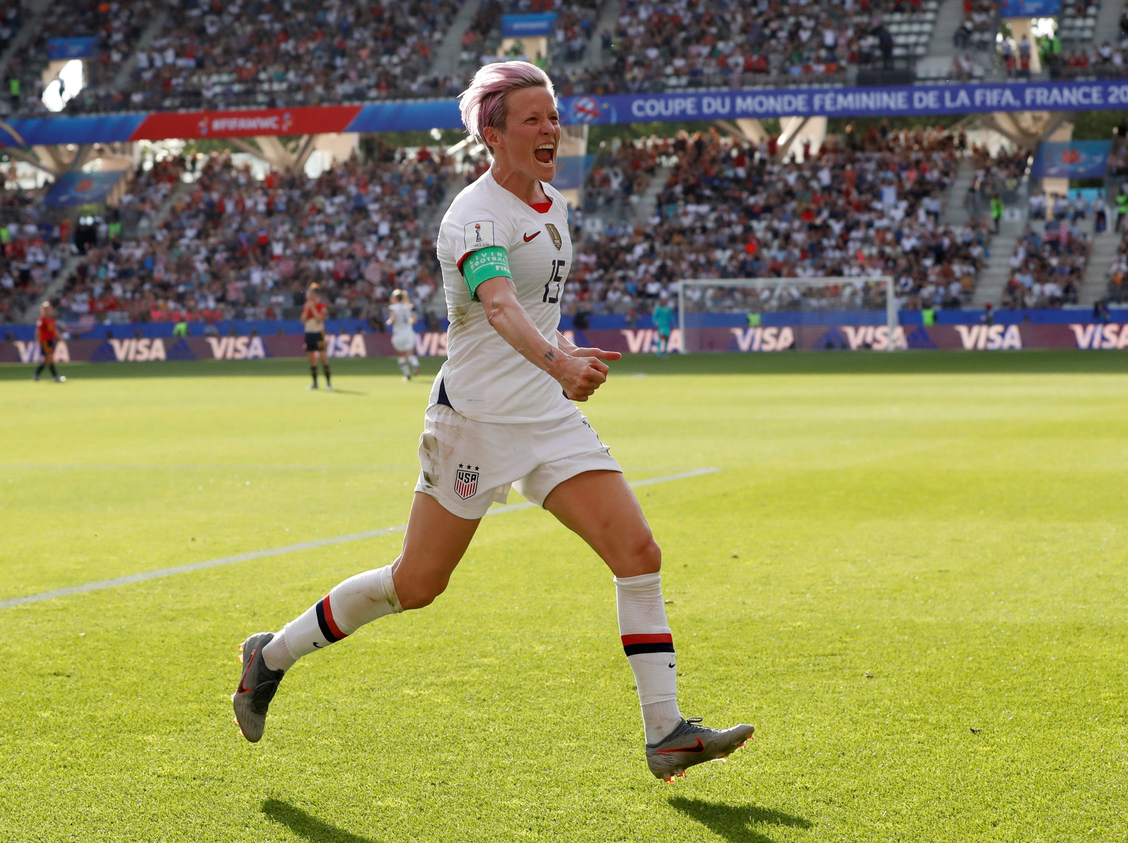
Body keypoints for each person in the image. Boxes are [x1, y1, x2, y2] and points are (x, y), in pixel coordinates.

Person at [232, 61, 753, 783]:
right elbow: (500, 306)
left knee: (638, 551)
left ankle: (665, 732)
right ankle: (270, 656)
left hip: (546, 415)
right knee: (416, 583)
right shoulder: (473, 216)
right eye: (533, 118)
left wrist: (563, 352)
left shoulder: (553, 204)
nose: (551, 129)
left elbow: (533, 313)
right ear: (492, 134)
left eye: (554, 115)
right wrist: (559, 362)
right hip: (475, 422)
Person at [300, 283, 332, 390]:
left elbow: (320, 319)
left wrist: (312, 308)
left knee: (323, 358)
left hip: (319, 334)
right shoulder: (306, 305)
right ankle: (315, 383)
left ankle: (328, 383)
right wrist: (307, 309)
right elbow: (303, 320)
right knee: (312, 359)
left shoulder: (323, 306)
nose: (310, 295)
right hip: (309, 333)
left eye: (312, 293)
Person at [386, 288, 420, 380]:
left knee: (400, 355)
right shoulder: (408, 307)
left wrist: (389, 322)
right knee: (410, 355)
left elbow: (393, 318)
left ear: (396, 298)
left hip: (398, 334)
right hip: (409, 333)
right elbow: (414, 320)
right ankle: (415, 363)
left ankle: (407, 374)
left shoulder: (393, 307)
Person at [32, 301, 65, 382]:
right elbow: (38, 331)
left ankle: (36, 375)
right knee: (50, 358)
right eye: (45, 309)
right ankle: (55, 376)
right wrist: (37, 341)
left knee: (47, 359)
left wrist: (60, 339)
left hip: (51, 341)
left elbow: (55, 330)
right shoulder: (41, 320)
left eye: (48, 309)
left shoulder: (51, 320)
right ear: (42, 310)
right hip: (44, 341)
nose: (47, 311)